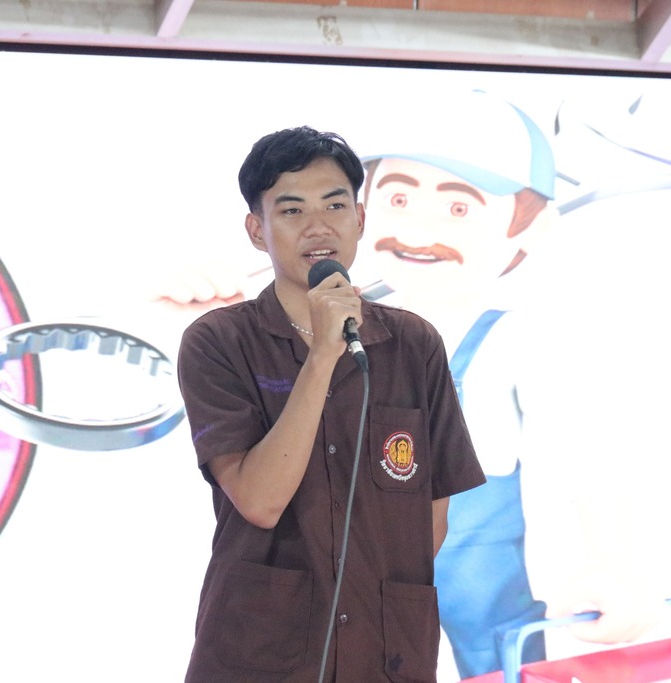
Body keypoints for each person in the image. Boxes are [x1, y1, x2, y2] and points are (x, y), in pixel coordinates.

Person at [357, 90, 663, 678]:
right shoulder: (342, 328)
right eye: (398, 199)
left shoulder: (521, 338)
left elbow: (590, 454)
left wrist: (617, 564)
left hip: (479, 561)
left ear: (531, 229)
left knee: (500, 666)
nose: (417, 230)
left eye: (458, 208)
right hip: (360, 553)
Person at [176, 126, 486, 682]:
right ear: (257, 230)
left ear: (360, 219)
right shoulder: (219, 341)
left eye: (335, 205)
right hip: (261, 651)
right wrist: (322, 355)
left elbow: (431, 516)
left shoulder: (414, 343)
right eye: (292, 210)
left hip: (386, 652)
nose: (318, 227)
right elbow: (260, 501)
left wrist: (372, 588)